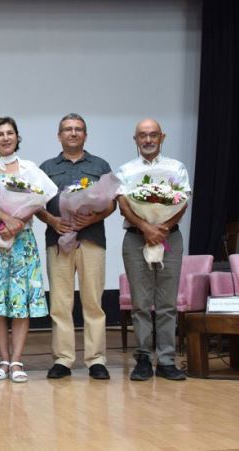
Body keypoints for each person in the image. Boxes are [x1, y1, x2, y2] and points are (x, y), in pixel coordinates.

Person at [0, 116, 57, 383]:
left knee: (20, 301)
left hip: (22, 241)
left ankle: (17, 361)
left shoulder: (29, 167)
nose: (5, 138)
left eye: (10, 133)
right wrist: (7, 219)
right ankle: (3, 360)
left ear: (17, 137)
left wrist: (18, 223)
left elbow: (41, 199)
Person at [37, 113, 115, 380]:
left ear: (85, 135)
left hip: (91, 240)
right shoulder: (46, 167)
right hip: (57, 242)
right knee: (60, 303)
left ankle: (96, 360)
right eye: (68, 129)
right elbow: (36, 204)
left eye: (78, 129)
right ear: (59, 135)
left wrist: (93, 217)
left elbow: (112, 203)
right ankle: (63, 359)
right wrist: (52, 220)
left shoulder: (100, 165)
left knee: (93, 302)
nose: (73, 133)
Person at [116, 118, 191, 381]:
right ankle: (144, 359)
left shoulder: (176, 167)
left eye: (153, 135)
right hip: (136, 238)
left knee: (167, 303)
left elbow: (182, 202)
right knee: (140, 303)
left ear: (162, 137)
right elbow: (123, 204)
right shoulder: (126, 170)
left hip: (170, 238)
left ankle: (168, 360)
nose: (148, 140)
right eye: (142, 136)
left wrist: (163, 228)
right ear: (135, 139)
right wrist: (145, 227)